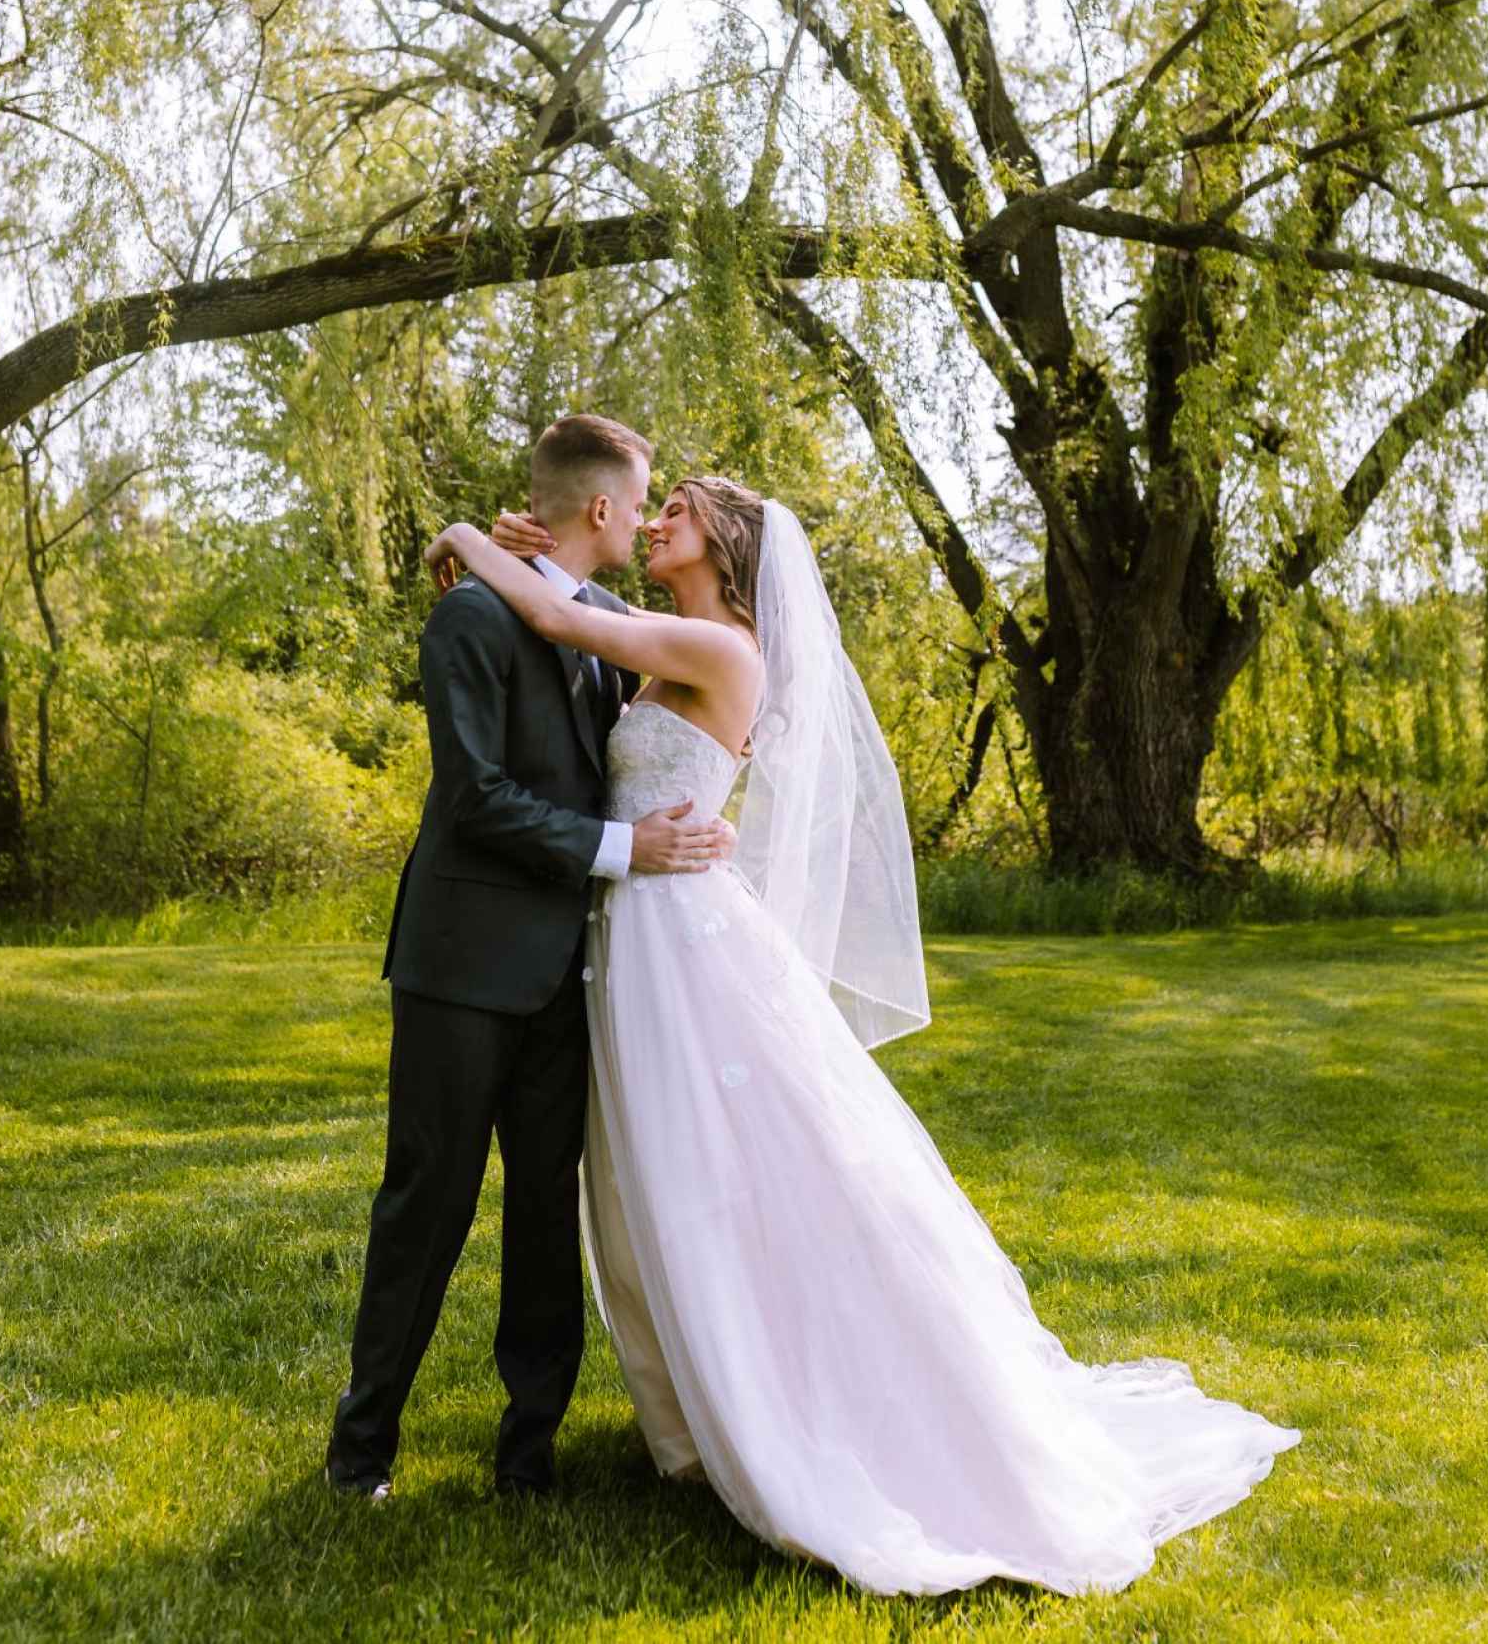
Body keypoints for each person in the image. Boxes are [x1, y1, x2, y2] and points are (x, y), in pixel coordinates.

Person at [426, 476, 1301, 1596]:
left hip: (683, 943)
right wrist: (535, 552)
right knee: (672, 1172)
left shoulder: (719, 646)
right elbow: (576, 607)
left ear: (726, 542)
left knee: (735, 1171)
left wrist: (461, 534)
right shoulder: (671, 636)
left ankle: (806, 1404)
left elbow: (559, 616)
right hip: (641, 938)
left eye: (678, 508)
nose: (656, 520)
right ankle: (719, 1388)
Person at [325, 415, 733, 1502]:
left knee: (548, 1213)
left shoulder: (601, 622)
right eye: (639, 503)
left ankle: (529, 1454)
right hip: (461, 966)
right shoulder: (469, 615)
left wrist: (702, 821)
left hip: (572, 972)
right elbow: (477, 798)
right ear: (601, 506)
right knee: (428, 1202)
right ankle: (362, 1449)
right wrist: (629, 849)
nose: (644, 521)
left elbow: (659, 726)